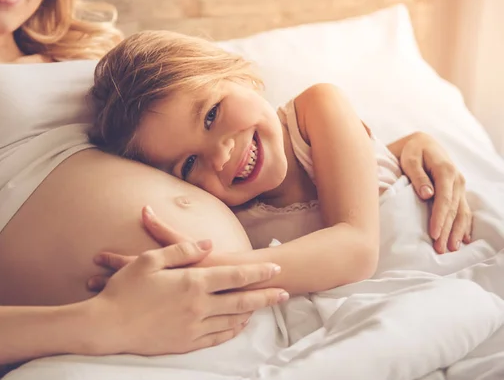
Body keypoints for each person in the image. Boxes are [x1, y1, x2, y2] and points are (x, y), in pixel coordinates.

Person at [0, 0, 471, 375]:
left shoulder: (113, 62)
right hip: (96, 347)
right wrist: (99, 322)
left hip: (254, 326)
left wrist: (400, 145)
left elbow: (248, 126)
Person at [89, 30, 475, 295]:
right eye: (189, 164)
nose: (220, 156)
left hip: (464, 258)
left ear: (237, 74)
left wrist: (221, 271)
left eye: (211, 115)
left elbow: (356, 247)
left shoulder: (315, 110)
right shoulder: (228, 217)